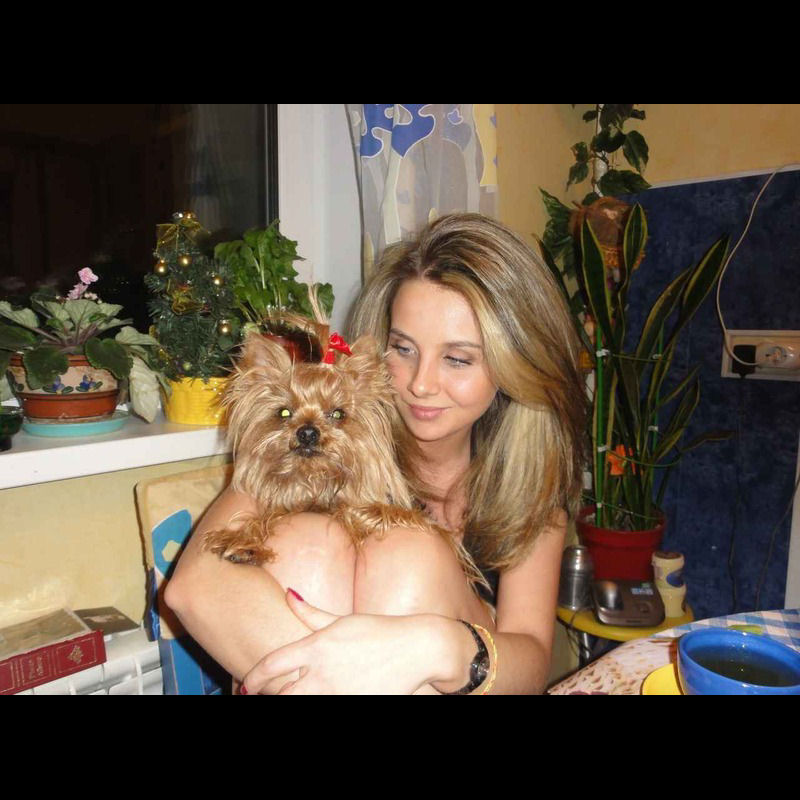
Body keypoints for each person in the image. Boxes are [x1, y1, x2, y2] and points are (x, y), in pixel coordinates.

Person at [165, 212, 586, 694]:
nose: (421, 384)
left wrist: (436, 646)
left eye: (457, 358)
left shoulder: (528, 480)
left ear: (515, 363)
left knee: (407, 554)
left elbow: (530, 665)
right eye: (403, 349)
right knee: (305, 545)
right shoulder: (313, 450)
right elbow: (193, 587)